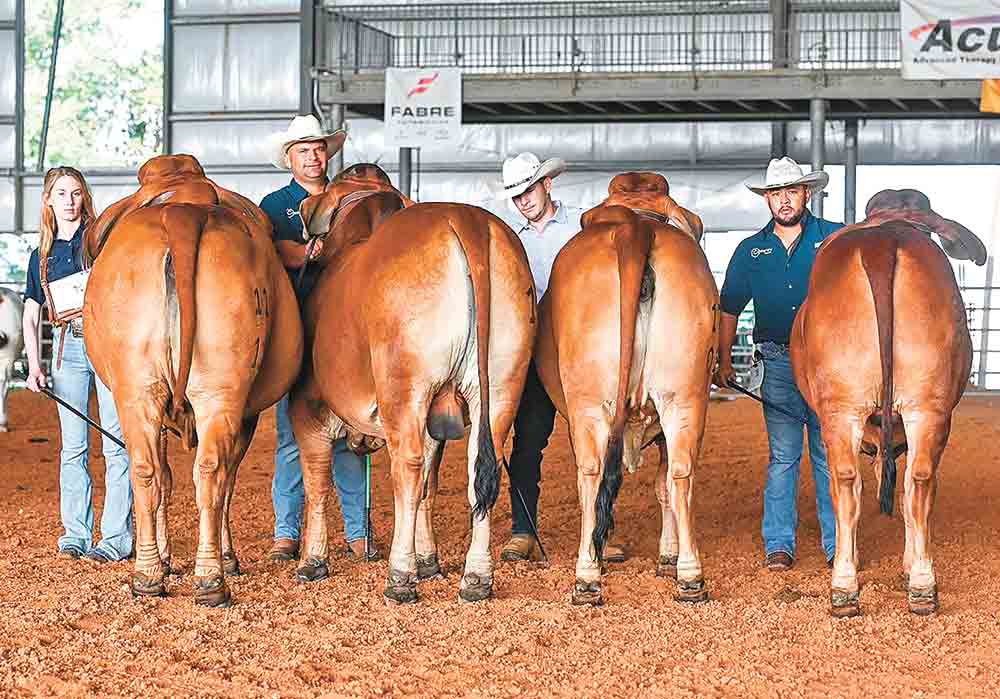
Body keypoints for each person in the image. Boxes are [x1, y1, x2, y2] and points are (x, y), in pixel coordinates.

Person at [494, 152, 626, 563]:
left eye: (528, 191)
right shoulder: (512, 240)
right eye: (516, 196)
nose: (523, 201)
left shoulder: (583, 230)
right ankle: (522, 529)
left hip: (584, 351)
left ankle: (601, 531)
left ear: (547, 185)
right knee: (528, 443)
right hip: (533, 351)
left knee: (599, 444)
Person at [259, 115, 378, 562]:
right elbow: (267, 251)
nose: (313, 156)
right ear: (289, 158)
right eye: (303, 150)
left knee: (355, 429)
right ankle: (286, 530)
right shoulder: (275, 205)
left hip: (349, 328)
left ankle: (358, 530)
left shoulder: (350, 196)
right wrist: (301, 252)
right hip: (298, 329)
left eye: (318, 148)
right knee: (293, 435)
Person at [715, 157, 842, 572]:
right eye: (775, 194)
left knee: (828, 453)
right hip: (778, 360)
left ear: (807, 194)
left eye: (791, 192)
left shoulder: (836, 239)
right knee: (784, 455)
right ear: (767, 199)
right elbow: (730, 307)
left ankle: (836, 543)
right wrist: (723, 358)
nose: (784, 201)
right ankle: (779, 543)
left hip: (830, 365)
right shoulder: (751, 250)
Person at [22, 166, 133, 563]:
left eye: (76, 193)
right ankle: (76, 534)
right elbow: (31, 314)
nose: (70, 201)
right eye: (61, 194)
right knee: (73, 447)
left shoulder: (100, 243)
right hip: (67, 346)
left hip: (105, 341)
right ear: (49, 201)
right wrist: (35, 364)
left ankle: (117, 537)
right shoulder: (42, 256)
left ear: (84, 198)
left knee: (116, 442)